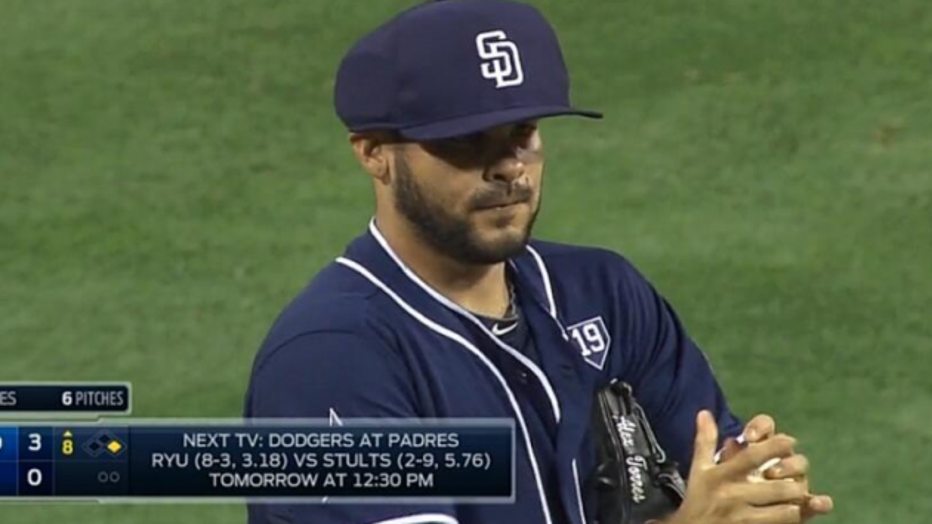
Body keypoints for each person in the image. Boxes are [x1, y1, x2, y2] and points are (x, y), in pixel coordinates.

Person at [244, 1, 834, 523]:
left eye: (521, 134)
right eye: (466, 141)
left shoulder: (604, 294)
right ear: (374, 153)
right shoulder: (330, 360)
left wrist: (759, 493)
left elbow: (724, 473)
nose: (509, 168)